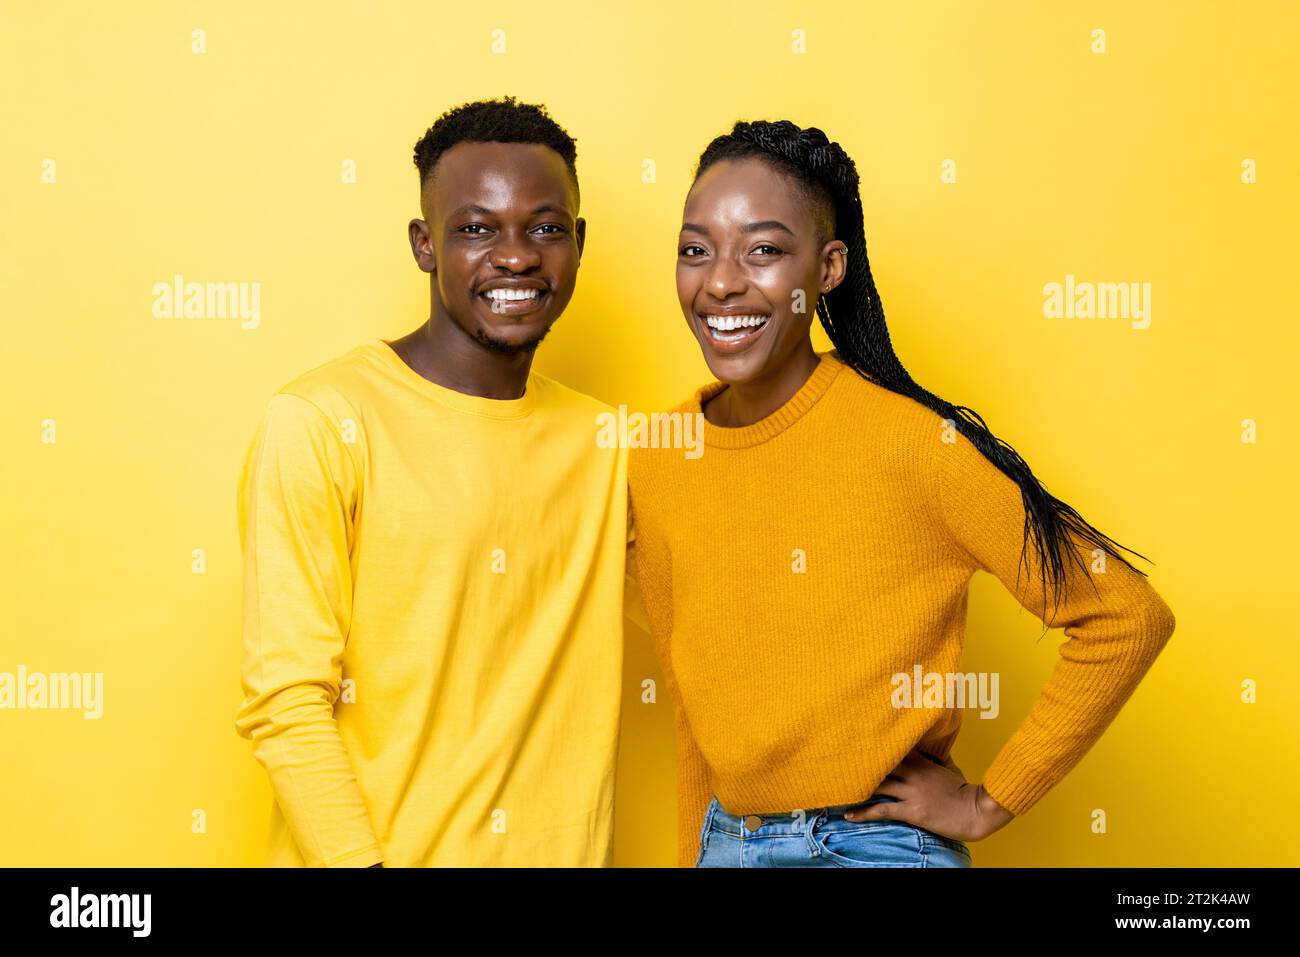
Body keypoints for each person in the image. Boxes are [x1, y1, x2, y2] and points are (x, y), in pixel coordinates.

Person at [627, 119, 1177, 868]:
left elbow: (1126, 616)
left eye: (763, 249)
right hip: (729, 845)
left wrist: (989, 801)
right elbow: (692, 705)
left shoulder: (911, 441)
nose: (720, 280)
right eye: (696, 248)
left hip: (875, 847)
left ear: (827, 267)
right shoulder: (657, 460)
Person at [234, 97, 628, 867]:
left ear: (578, 242)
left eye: (544, 228)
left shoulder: (609, 442)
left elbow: (738, 609)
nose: (514, 256)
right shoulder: (318, 421)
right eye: (475, 228)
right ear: (424, 243)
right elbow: (286, 702)